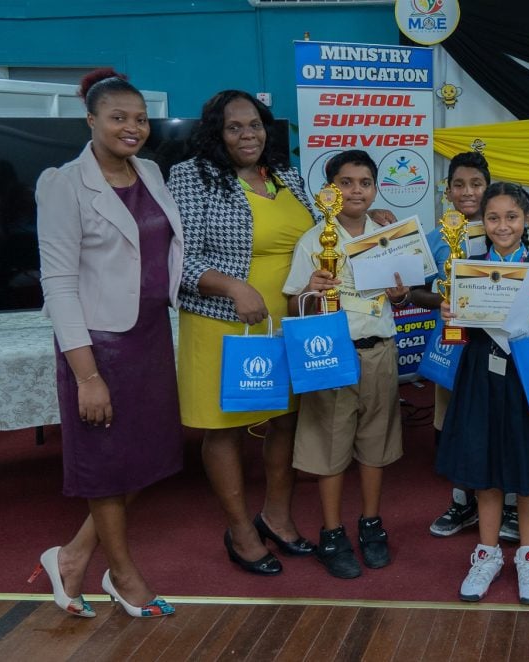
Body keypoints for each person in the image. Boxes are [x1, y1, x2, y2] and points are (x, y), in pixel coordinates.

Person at [30, 68, 180, 618]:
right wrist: (87, 375)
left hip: (150, 336)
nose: (132, 128)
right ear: (90, 119)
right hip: (97, 345)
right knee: (106, 464)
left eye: (140, 119)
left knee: (140, 459)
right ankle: (122, 574)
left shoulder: (151, 171)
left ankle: (71, 558)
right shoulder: (62, 183)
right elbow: (60, 283)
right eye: (118, 117)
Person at [168, 90, 316, 575]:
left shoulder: (288, 176)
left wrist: (366, 222)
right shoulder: (192, 177)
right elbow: (180, 260)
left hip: (287, 321)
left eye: (254, 124)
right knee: (225, 428)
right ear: (217, 132)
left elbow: (322, 236)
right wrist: (233, 286)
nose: (247, 134)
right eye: (234, 127)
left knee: (286, 420)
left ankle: (276, 516)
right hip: (221, 321)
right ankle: (241, 531)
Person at [436, 182, 529, 605]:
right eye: (493, 217)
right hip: (481, 375)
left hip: (526, 378)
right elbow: (455, 337)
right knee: (484, 464)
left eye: (511, 217)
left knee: (527, 468)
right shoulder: (467, 269)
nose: (502, 225)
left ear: (527, 220)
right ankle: (488, 552)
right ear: (482, 222)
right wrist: (450, 315)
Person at [281, 150, 406, 579]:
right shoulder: (314, 240)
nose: (356, 190)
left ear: (375, 189)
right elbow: (292, 303)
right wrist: (311, 290)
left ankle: (371, 525)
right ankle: (332, 533)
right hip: (330, 354)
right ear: (328, 191)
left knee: (376, 445)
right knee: (330, 447)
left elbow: (401, 294)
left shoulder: (387, 235)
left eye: (365, 182)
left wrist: (399, 294)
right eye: (346, 182)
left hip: (380, 351)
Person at [412, 152, 522, 543]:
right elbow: (415, 288)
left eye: (476, 184)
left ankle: (508, 502)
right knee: (455, 423)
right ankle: (463, 500)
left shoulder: (507, 230)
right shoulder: (438, 236)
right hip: (454, 346)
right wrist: (442, 300)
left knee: (503, 422)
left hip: (502, 351)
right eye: (458, 184)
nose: (467, 192)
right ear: (447, 190)